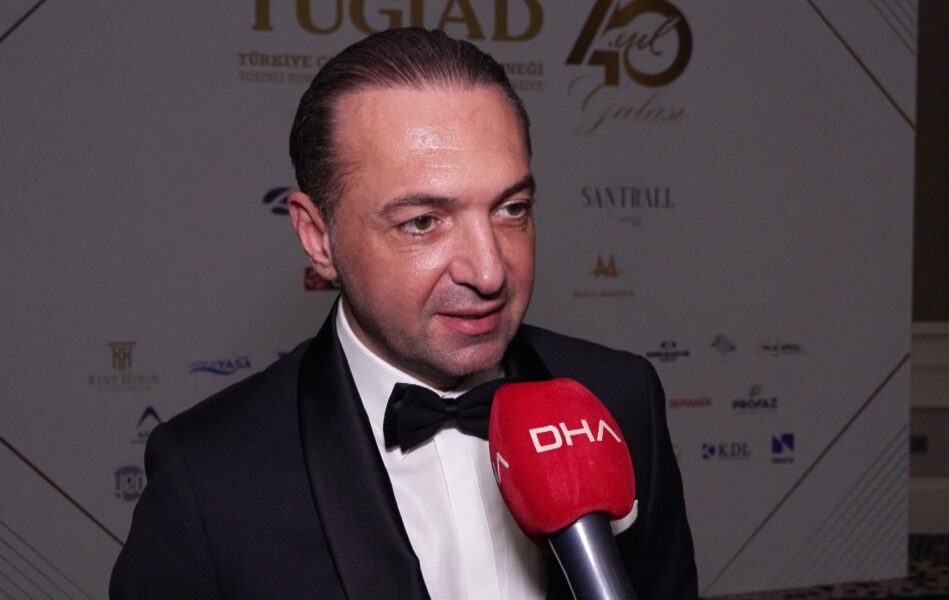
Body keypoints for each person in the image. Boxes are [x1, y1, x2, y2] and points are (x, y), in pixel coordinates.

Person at [110, 27, 697, 599]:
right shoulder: (208, 479)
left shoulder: (620, 398)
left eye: (511, 209)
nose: (489, 271)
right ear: (318, 237)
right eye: (422, 222)